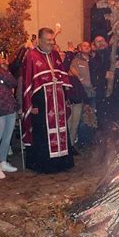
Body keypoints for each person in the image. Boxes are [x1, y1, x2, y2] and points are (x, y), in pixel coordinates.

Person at [22, 28, 74, 173]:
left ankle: (62, 162)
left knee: (60, 129)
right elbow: (28, 83)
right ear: (39, 40)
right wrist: (31, 104)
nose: (51, 43)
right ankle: (47, 165)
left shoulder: (55, 54)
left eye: (52, 40)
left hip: (58, 100)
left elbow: (62, 74)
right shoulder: (31, 56)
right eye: (48, 40)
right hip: (41, 103)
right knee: (43, 132)